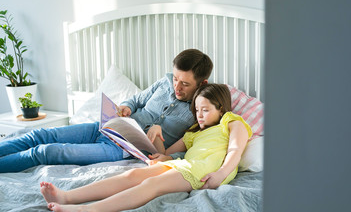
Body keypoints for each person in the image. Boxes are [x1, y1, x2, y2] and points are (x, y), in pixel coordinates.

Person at [40, 83, 252, 212]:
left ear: (221, 108)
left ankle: (88, 209)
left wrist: (220, 174)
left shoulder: (232, 122)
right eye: (197, 110)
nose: (199, 115)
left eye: (205, 110)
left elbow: (235, 150)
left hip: (205, 172)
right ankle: (67, 196)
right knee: (132, 174)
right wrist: (156, 131)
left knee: (151, 184)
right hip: (185, 165)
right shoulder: (194, 132)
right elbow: (165, 154)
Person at [0, 49, 213, 173]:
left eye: (184, 84)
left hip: (122, 150)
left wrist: (169, 157)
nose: (176, 87)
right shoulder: (165, 82)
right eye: (175, 79)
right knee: (41, 135)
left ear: (201, 84)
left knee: (46, 151)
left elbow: (192, 148)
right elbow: (137, 100)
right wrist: (126, 107)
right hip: (106, 127)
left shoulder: (202, 111)